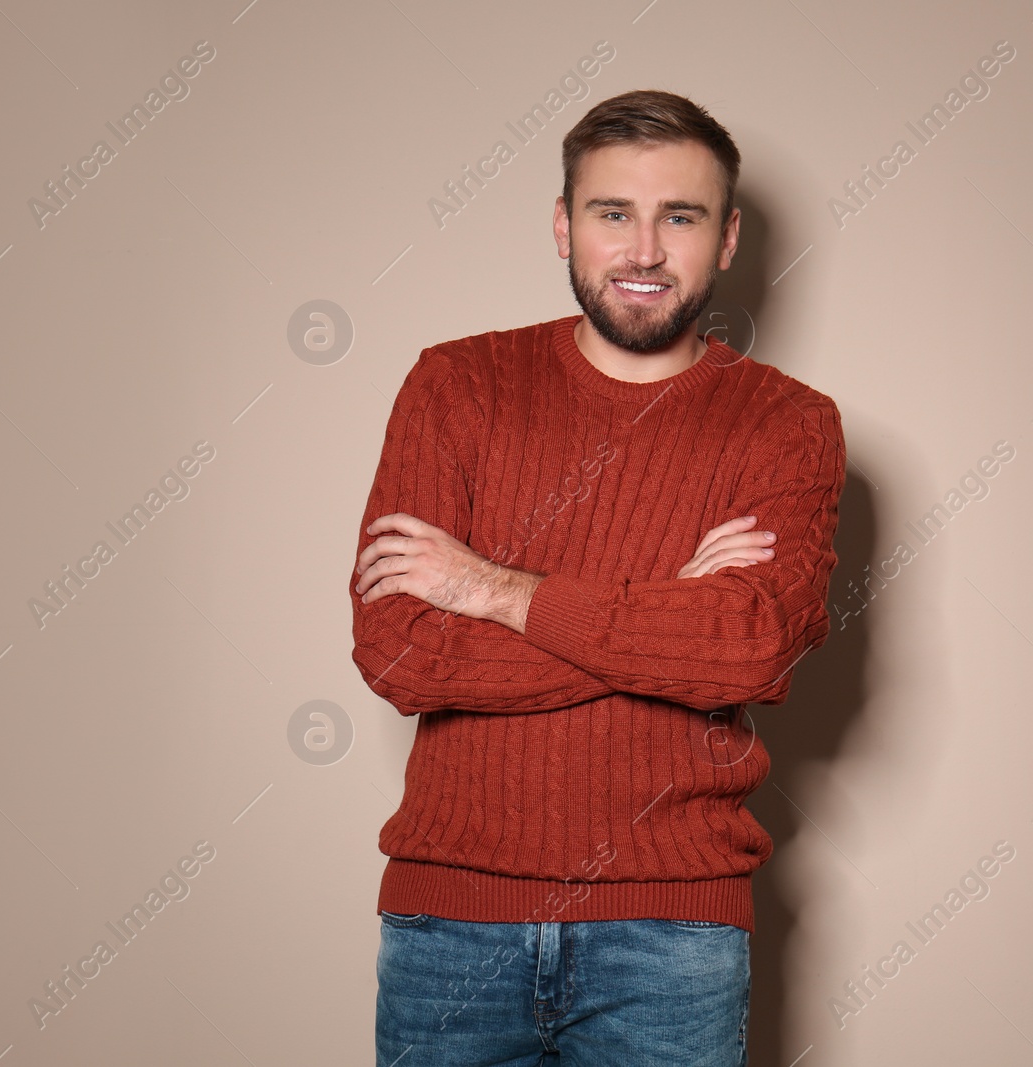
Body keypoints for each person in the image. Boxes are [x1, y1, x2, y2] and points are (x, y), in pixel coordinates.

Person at [351, 88, 846, 1067]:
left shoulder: (785, 422)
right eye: (612, 212)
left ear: (729, 237)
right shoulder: (455, 385)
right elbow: (398, 649)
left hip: (673, 935)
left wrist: (492, 587)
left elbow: (745, 650)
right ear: (562, 224)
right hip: (450, 925)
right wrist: (668, 609)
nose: (645, 250)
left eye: (681, 216)